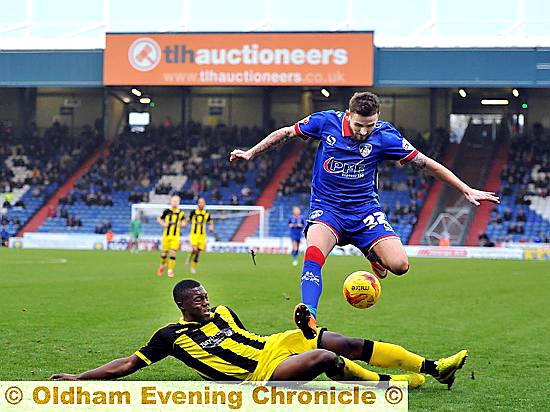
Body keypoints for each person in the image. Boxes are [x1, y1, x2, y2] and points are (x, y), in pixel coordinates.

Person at [230, 91, 500, 339]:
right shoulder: (326, 122)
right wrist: (251, 152)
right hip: (328, 209)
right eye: (359, 125)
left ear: (377, 119)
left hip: (364, 212)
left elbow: (426, 163)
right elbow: (287, 133)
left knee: (400, 266)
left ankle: (372, 254)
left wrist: (466, 189)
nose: (363, 131)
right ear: (349, 115)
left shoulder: (385, 136)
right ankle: (309, 314)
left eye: (369, 125)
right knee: (313, 254)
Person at [51, 279, 467, 390]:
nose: (206, 302)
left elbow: (248, 339)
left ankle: (434, 368)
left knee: (342, 342)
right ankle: (395, 384)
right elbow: (127, 364)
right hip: (260, 376)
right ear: (183, 305)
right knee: (327, 360)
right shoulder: (171, 336)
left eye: (206, 296)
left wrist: (303, 328)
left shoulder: (225, 313)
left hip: (274, 345)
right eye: (198, 300)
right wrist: (79, 378)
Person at [156, 195, 187, 278]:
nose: (175, 202)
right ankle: (162, 265)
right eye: (173, 201)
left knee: (173, 253)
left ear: (179, 202)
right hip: (166, 235)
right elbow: (158, 219)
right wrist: (163, 224)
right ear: (171, 201)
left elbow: (184, 222)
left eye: (176, 201)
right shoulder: (166, 211)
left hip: (175, 236)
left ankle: (170, 270)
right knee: (164, 254)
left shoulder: (181, 213)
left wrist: (183, 224)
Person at [186, 197, 214, 274]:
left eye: (203, 202)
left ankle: (193, 266)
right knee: (195, 249)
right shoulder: (193, 212)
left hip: (202, 235)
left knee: (198, 252)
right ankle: (189, 258)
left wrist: (211, 227)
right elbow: (187, 220)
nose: (201, 204)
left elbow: (210, 222)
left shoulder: (207, 213)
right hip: (194, 234)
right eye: (200, 202)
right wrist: (184, 223)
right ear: (198, 204)